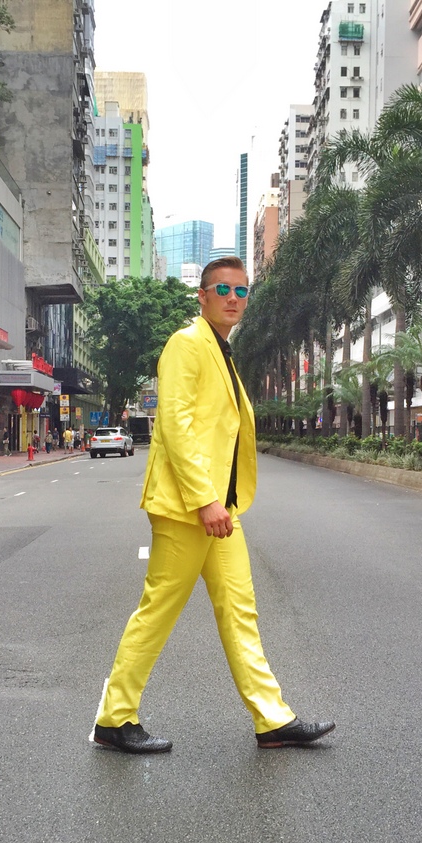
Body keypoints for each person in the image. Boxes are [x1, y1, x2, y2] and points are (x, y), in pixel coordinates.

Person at [93, 256, 334, 755]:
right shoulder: (187, 344)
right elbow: (175, 425)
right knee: (158, 610)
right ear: (201, 296)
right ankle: (114, 718)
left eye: (242, 291)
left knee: (240, 610)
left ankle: (272, 719)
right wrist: (205, 499)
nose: (233, 298)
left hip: (222, 510)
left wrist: (219, 501)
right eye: (223, 289)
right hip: (189, 508)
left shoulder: (222, 351)